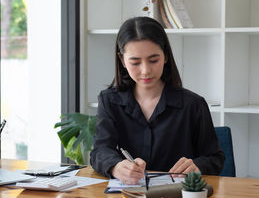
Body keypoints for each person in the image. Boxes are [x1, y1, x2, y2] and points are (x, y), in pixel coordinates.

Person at [90, 16, 225, 185]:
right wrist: (116, 167)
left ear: (166, 56)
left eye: (153, 60)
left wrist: (197, 166)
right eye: (135, 62)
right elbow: (100, 151)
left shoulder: (193, 104)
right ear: (122, 60)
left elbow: (215, 158)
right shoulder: (109, 100)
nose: (145, 70)